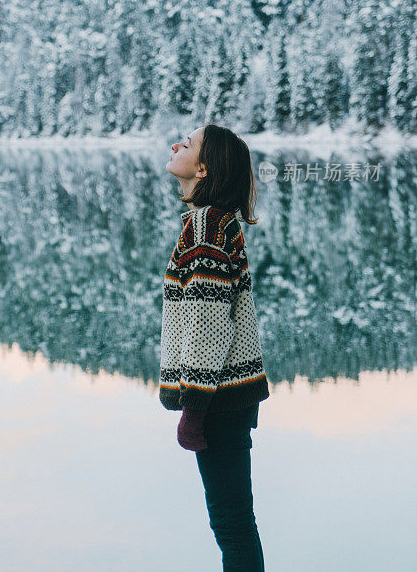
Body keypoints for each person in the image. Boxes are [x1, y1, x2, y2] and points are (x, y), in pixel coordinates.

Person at [159, 123, 270, 572]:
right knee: (235, 521)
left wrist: (194, 410)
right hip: (228, 396)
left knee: (232, 524)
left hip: (218, 401)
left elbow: (208, 329)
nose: (175, 145)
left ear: (204, 168)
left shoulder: (206, 226)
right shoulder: (213, 222)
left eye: (187, 144)